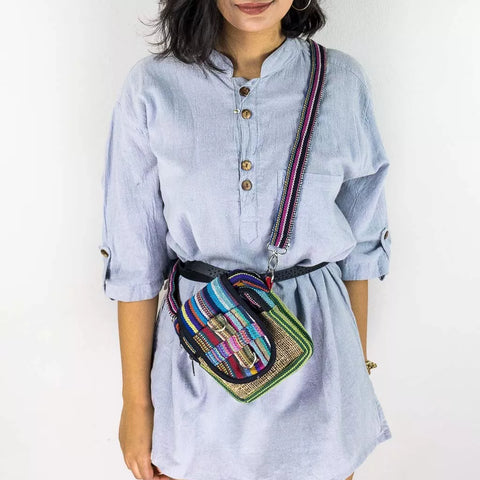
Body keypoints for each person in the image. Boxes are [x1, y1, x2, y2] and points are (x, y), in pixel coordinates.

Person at [98, 1, 393, 479]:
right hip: (198, 371)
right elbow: (135, 260)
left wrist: (354, 379)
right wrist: (136, 404)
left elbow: (360, 251)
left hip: (321, 376)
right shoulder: (153, 86)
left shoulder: (342, 80)